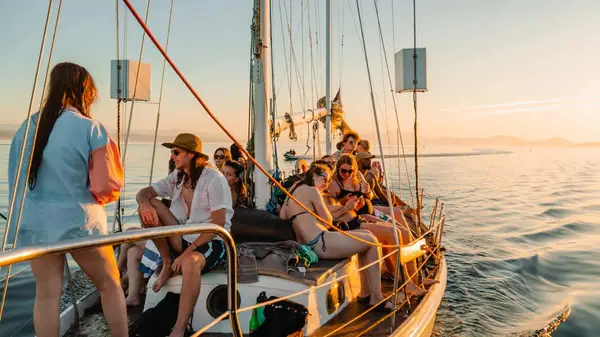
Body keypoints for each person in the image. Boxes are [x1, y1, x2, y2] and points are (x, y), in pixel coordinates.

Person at [8, 62, 128, 337]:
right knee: (110, 284)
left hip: (37, 225)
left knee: (47, 296)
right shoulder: (91, 129)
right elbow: (107, 186)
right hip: (80, 224)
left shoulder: (26, 127)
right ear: (83, 90)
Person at [136, 133, 233, 337]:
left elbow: (218, 224)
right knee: (148, 205)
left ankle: (179, 329)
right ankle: (166, 259)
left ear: (190, 154)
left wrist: (186, 253)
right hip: (183, 235)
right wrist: (144, 203)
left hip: (212, 239)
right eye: (172, 152)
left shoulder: (214, 179)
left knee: (189, 262)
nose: (172, 157)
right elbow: (143, 193)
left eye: (176, 152)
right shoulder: (177, 178)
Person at [279, 163, 394, 311]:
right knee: (372, 241)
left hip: (313, 242)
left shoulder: (293, 191)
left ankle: (365, 293)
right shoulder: (313, 191)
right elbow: (327, 222)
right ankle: (376, 298)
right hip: (321, 242)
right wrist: (345, 208)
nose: (325, 184)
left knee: (367, 235)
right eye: (324, 179)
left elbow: (283, 216)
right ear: (313, 175)